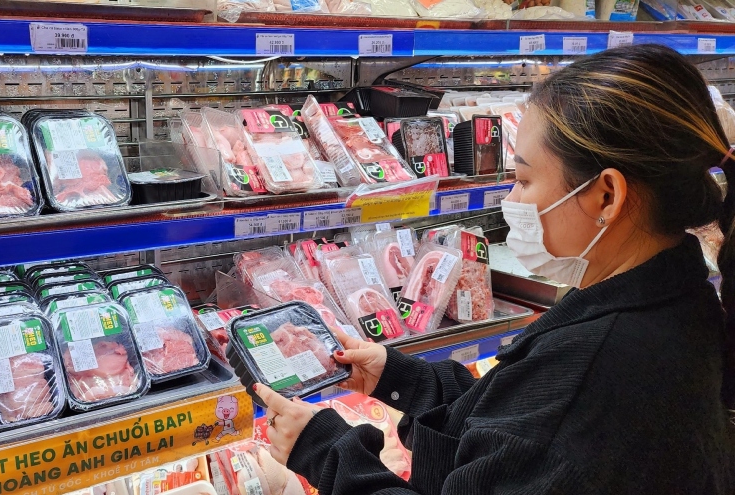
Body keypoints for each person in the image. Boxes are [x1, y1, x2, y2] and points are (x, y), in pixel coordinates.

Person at [254, 44, 735, 494]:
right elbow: (515, 421)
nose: (511, 198)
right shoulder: (675, 295)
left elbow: (543, 428)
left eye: (523, 178)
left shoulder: (598, 375)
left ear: (606, 195)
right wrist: (402, 380)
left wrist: (326, 450)